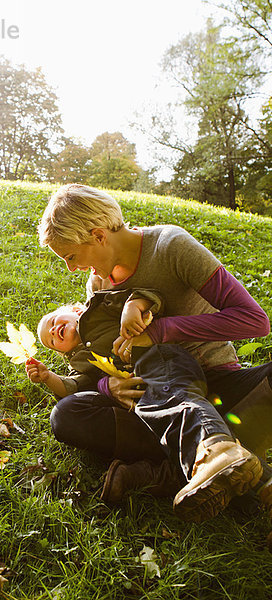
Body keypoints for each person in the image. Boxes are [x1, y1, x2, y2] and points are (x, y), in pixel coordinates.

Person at [36, 183, 272, 512]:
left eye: (71, 256)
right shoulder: (99, 283)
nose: (71, 267)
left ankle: (166, 472)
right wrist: (109, 384)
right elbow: (103, 357)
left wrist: (161, 331)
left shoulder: (170, 246)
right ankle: (225, 462)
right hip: (154, 400)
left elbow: (254, 321)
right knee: (66, 415)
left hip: (219, 384)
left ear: (99, 235)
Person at [26, 288, 263, 522]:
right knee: (68, 411)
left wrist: (133, 307)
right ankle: (243, 480)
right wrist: (49, 378)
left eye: (54, 321)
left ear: (76, 310)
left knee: (163, 378)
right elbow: (73, 388)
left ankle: (208, 453)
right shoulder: (80, 362)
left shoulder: (100, 309)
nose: (54, 330)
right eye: (52, 340)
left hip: (165, 366)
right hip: (144, 404)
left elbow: (151, 296)